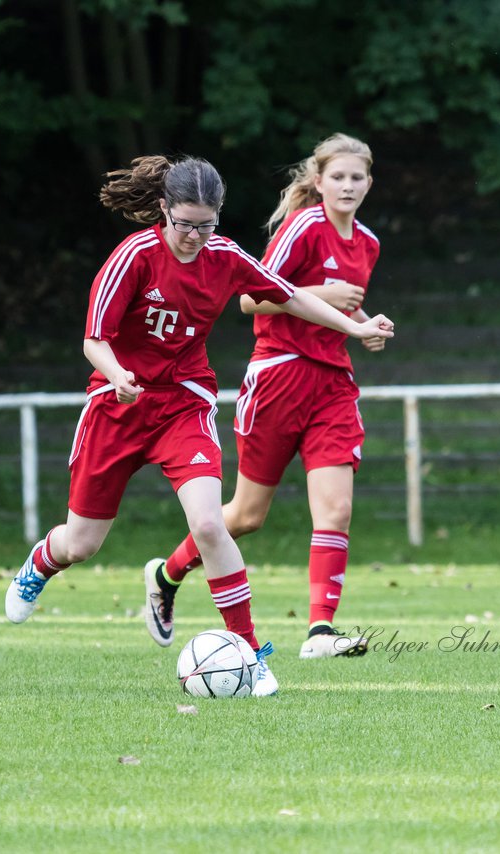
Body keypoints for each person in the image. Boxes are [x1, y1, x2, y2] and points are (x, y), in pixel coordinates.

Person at [3, 154, 394, 696]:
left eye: (205, 225)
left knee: (211, 524)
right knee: (80, 545)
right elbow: (95, 340)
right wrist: (118, 376)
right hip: (117, 407)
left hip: (184, 404)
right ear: (163, 209)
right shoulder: (134, 256)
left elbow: (289, 295)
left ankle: (253, 655)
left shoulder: (225, 256)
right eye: (184, 223)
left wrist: (353, 327)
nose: (193, 236)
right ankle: (42, 563)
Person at [145, 133, 386, 660]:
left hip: (333, 385)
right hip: (278, 378)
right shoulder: (303, 227)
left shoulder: (367, 242)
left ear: (369, 182)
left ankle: (321, 632)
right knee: (248, 515)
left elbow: (343, 309)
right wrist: (328, 297)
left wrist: (364, 327)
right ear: (318, 181)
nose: (348, 186)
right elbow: (253, 299)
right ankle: (167, 574)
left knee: (336, 509)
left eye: (357, 177)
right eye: (338, 176)